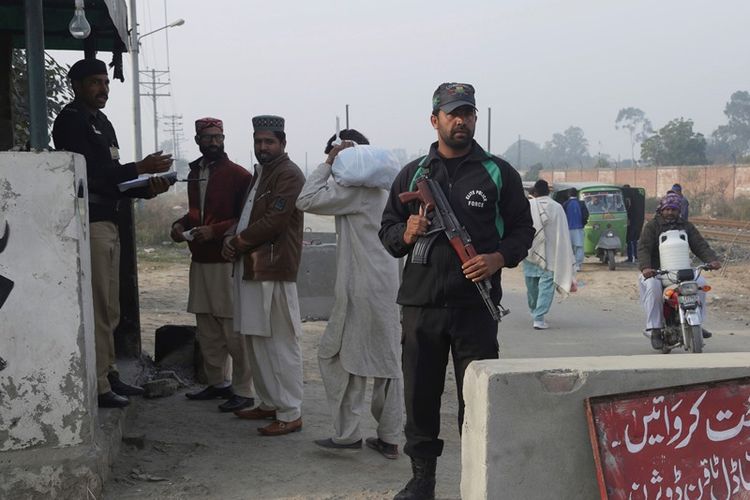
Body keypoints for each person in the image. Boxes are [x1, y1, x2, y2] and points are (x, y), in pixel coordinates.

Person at [379, 83, 534, 499]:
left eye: (468, 113)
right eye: (452, 114)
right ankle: (422, 480)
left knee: (478, 399)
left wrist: (498, 258)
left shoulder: (499, 172)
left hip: (475, 305)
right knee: (420, 396)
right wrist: (407, 231)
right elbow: (387, 231)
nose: (461, 120)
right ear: (435, 120)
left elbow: (523, 229)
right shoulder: (412, 174)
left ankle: (474, 480)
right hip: (421, 304)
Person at [52, 59, 173, 408]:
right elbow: (91, 176)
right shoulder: (71, 122)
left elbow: (116, 179)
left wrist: (147, 187)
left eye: (106, 82)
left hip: (112, 220)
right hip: (90, 221)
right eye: (95, 82)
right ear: (75, 84)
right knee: (99, 306)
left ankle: (110, 371)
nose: (103, 88)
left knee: (112, 305)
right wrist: (140, 167)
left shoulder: (102, 122)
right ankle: (100, 385)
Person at [296, 129, 403, 459]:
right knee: (385, 362)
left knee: (342, 358)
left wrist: (328, 162)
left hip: (362, 287)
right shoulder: (384, 188)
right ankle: (387, 437)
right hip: (383, 286)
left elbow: (306, 199)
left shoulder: (356, 190)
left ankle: (348, 435)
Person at [221, 115, 306, 436]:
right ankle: (269, 402)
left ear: (282, 143)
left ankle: (290, 411)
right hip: (251, 266)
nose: (263, 147)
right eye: (258, 141)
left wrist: (238, 242)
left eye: (269, 141)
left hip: (274, 269)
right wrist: (231, 237)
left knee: (280, 341)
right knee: (256, 338)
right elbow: (245, 217)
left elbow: (276, 220)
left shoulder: (289, 174)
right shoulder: (262, 173)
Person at [170, 117, 254, 413]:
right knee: (206, 325)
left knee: (233, 327)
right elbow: (196, 214)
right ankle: (218, 383)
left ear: (224, 138)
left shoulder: (239, 175)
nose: (214, 142)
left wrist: (215, 231)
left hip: (225, 259)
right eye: (208, 138)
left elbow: (248, 218)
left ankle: (244, 390)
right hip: (200, 259)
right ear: (197, 140)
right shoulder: (195, 172)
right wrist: (180, 225)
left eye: (218, 137)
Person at [637, 193, 721, 349]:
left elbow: (700, 245)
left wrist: (711, 260)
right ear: (661, 210)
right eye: (667, 209)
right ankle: (655, 329)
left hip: (681, 270)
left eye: (673, 209)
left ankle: (698, 322)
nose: (670, 212)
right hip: (656, 272)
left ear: (679, 210)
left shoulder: (686, 226)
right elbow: (643, 249)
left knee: (701, 285)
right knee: (653, 289)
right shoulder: (651, 227)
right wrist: (646, 268)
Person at [524, 180, 575, 330]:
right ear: (548, 192)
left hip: (530, 251)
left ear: (535, 192)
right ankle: (538, 317)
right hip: (552, 253)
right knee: (546, 285)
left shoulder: (528, 206)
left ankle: (535, 311)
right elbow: (563, 233)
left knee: (531, 284)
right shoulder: (557, 207)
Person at [562, 188, 588, 272]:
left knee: (569, 248)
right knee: (579, 247)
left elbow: (562, 217)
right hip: (579, 229)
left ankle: (571, 265)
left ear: (568, 195)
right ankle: (578, 265)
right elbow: (586, 215)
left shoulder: (565, 204)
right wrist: (583, 224)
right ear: (576, 194)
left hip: (567, 229)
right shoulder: (581, 204)